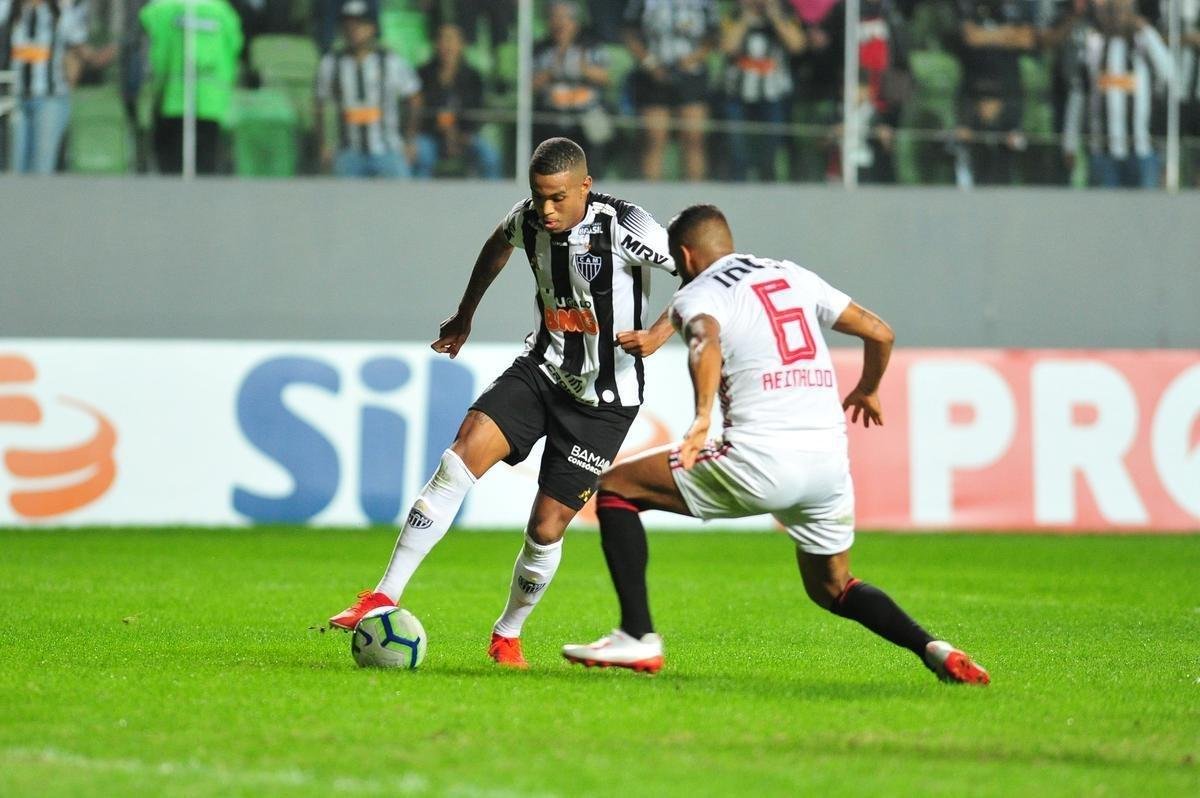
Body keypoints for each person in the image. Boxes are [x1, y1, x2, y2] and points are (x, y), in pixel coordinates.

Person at [561, 204, 990, 686]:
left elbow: (704, 339)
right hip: (829, 467)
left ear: (685, 255)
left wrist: (703, 418)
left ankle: (637, 636)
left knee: (617, 488)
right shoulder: (791, 274)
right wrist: (868, 388)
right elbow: (879, 331)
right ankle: (934, 649)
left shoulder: (698, 292)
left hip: (760, 458)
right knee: (834, 588)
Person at [329, 137, 679, 669]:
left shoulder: (628, 226)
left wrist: (658, 333)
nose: (547, 208)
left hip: (605, 402)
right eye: (538, 196)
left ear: (585, 185)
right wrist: (465, 313)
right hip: (541, 371)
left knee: (545, 529)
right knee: (457, 461)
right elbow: (498, 243)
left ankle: (507, 632)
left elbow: (705, 271)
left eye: (558, 196)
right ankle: (383, 595)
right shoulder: (530, 220)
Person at [1064, 0, 1173, 188]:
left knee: (1145, 213)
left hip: (1142, 151)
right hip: (1103, 152)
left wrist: (1147, 31)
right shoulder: (1093, 45)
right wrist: (1069, 143)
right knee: (1104, 214)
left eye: (1123, 10)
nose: (1117, 16)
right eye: (1111, 10)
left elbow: (1169, 73)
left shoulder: (1143, 44)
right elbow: (1078, 97)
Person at [315, 0, 421, 179]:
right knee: (343, 202)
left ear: (372, 27)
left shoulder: (390, 61)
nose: (353, 29)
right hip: (348, 151)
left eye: (360, 24)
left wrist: (410, 140)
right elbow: (319, 104)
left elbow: (414, 98)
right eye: (348, 24)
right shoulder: (331, 63)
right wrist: (323, 144)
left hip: (387, 149)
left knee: (403, 199)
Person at [139, 0, 243, 175]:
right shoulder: (222, 11)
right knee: (206, 162)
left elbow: (151, 41)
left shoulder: (162, 8)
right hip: (212, 100)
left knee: (172, 164)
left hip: (174, 96)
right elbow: (234, 47)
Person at [623, 0, 720, 180]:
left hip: (692, 76)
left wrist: (692, 59)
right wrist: (649, 63)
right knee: (654, 139)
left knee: (693, 139)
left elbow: (713, 35)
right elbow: (629, 31)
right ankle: (651, 199)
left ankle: (695, 199)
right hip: (653, 75)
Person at [952, 0, 1038, 186]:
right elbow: (970, 36)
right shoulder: (968, 6)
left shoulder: (1017, 6)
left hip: (1010, 96)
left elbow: (1027, 39)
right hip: (973, 96)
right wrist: (1007, 35)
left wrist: (986, 36)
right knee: (973, 162)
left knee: (1005, 165)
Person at [720, 0, 806, 181]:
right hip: (738, 94)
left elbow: (797, 44)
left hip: (773, 94)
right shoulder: (734, 13)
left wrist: (775, 17)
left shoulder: (785, 11)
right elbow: (727, 46)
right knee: (738, 151)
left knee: (770, 151)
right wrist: (745, 17)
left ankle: (769, 193)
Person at [0, 0, 88, 173]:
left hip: (51, 97)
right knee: (16, 166)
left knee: (41, 167)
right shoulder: (8, 8)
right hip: (14, 97)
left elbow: (78, 45)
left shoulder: (60, 10)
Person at [532, 1, 613, 178]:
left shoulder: (591, 46)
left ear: (575, 22)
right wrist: (552, 70)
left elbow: (607, 79)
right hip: (551, 113)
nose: (559, 24)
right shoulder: (540, 49)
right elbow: (530, 85)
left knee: (599, 129)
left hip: (586, 112)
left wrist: (584, 69)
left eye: (564, 19)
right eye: (554, 18)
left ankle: (595, 178)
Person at [412, 22, 501, 179]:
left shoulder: (473, 76)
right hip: (432, 134)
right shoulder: (423, 74)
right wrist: (441, 130)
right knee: (422, 153)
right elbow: (419, 110)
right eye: (442, 39)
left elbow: (478, 110)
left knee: (490, 155)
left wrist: (462, 134)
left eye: (451, 39)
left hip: (464, 134)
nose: (446, 45)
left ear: (461, 44)